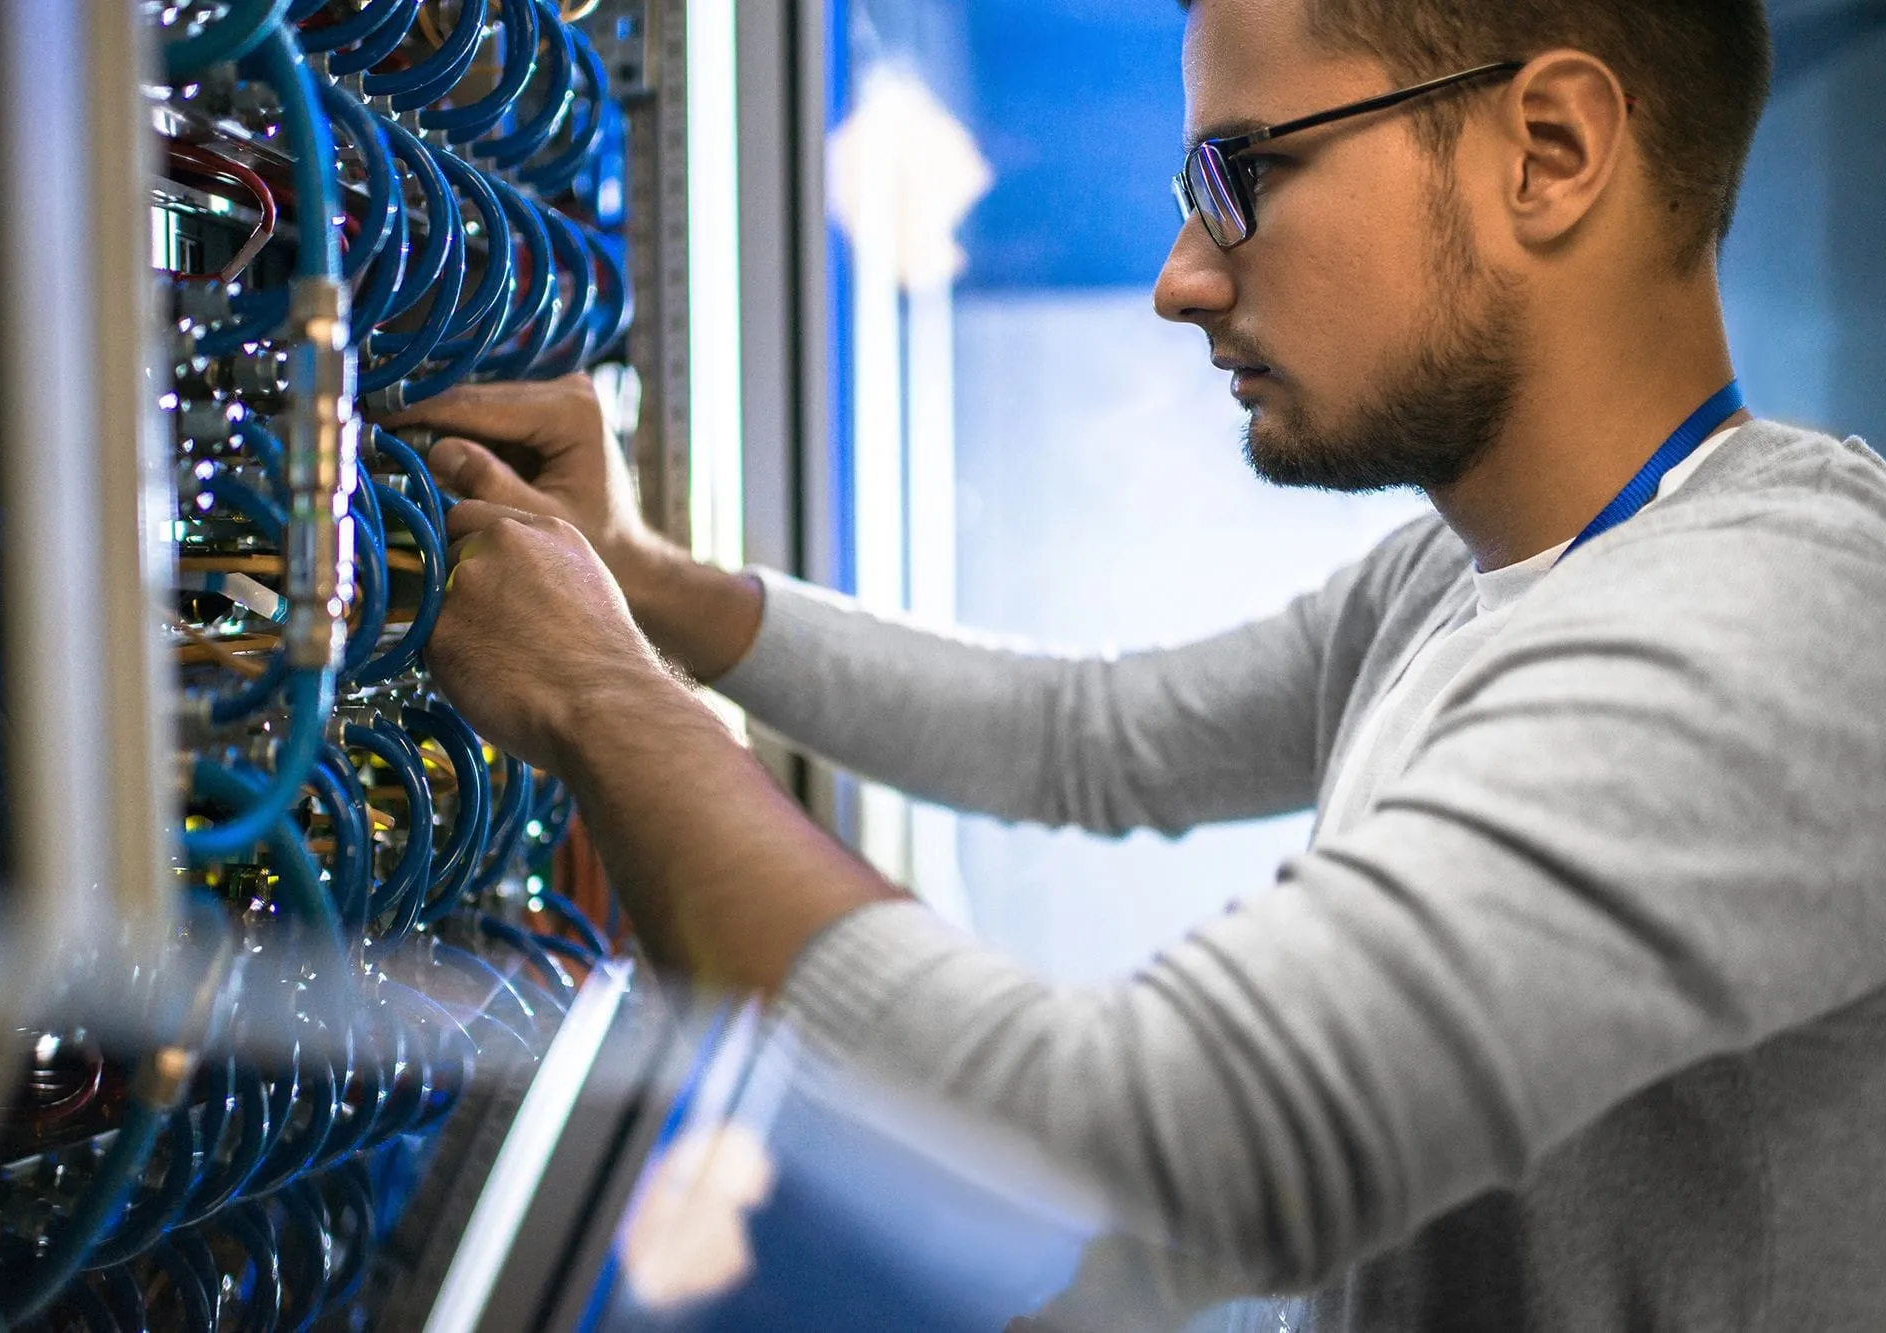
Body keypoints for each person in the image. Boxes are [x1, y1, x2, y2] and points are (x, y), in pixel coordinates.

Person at [392, 0, 1886, 1325]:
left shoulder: (1780, 622)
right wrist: (644, 586)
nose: (1182, 280)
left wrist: (600, 700)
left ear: (1549, 150)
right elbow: (1086, 736)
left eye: (1244, 177)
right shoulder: (1457, 578)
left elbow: (1154, 1144)